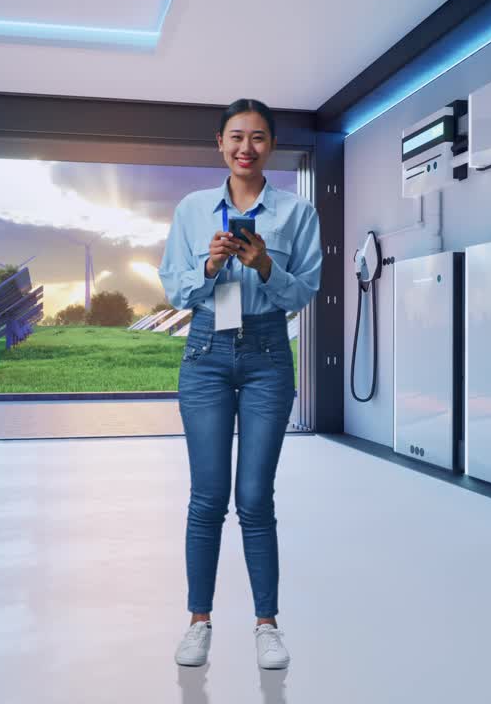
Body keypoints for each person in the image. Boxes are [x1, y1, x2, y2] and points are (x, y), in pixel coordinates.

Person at [158, 98, 323, 670]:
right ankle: (198, 623)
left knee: (254, 498)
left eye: (256, 138)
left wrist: (264, 266)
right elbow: (174, 288)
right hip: (206, 350)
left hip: (268, 353)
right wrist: (208, 267)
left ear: (270, 146)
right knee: (207, 497)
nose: (245, 148)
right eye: (235, 137)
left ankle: (267, 626)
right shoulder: (192, 209)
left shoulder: (297, 213)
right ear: (220, 144)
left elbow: (305, 291)